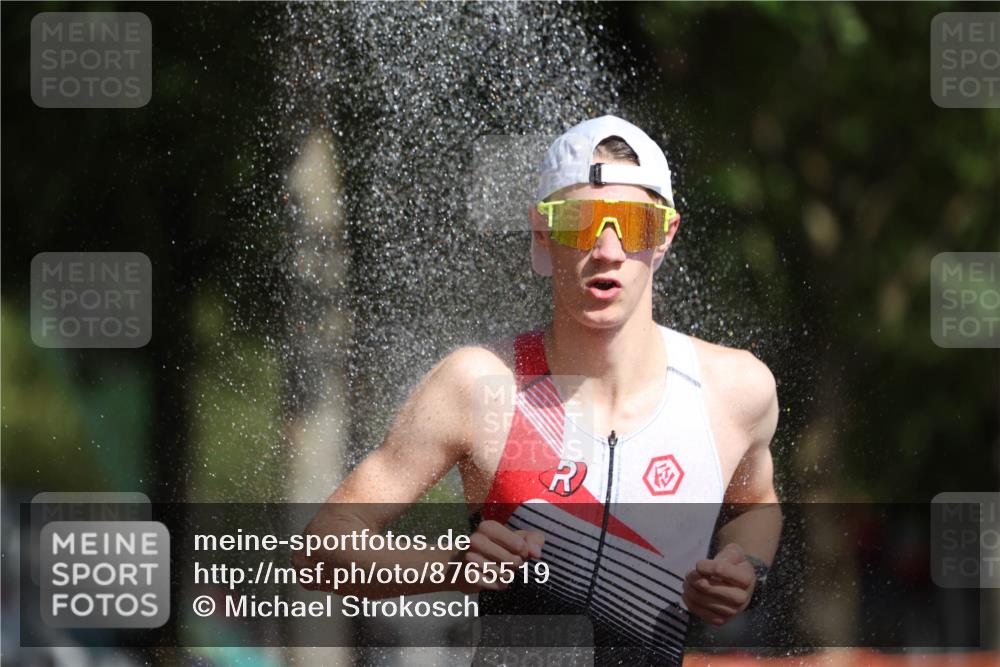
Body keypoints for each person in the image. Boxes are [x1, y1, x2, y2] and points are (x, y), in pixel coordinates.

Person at [296, 115, 782, 666]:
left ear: (665, 235)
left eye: (634, 223)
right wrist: (445, 566)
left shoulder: (735, 389)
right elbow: (320, 545)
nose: (607, 248)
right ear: (541, 234)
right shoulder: (481, 386)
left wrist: (748, 569)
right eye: (578, 222)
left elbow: (756, 504)